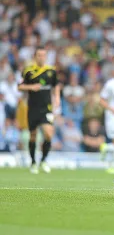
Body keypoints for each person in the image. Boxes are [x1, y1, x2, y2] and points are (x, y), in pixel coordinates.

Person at [18, 46, 60, 174]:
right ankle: (33, 162)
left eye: (43, 55)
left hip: (46, 108)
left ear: (46, 57)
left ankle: (43, 160)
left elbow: (56, 85)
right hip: (33, 108)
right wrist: (31, 86)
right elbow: (20, 86)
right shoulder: (28, 71)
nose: (41, 57)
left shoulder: (51, 71)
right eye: (39, 55)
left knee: (48, 133)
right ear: (35, 57)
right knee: (33, 136)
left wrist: (57, 98)